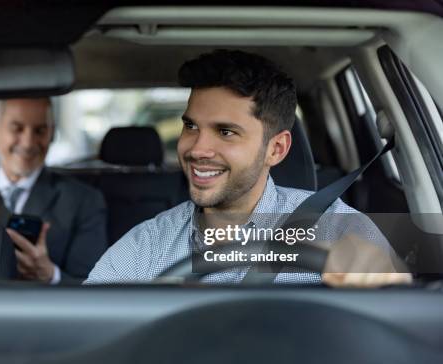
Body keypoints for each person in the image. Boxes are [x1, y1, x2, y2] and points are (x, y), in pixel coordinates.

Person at [86, 50, 411, 287]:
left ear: (276, 149)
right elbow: (89, 330)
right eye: (191, 126)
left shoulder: (336, 229)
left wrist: (385, 274)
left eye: (226, 132)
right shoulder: (148, 245)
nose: (197, 149)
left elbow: (402, 323)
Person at [0, 98, 108, 283]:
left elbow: (92, 288)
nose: (28, 143)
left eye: (40, 130)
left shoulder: (83, 201)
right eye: (17, 128)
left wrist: (50, 275)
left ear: (51, 134)